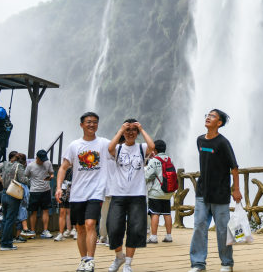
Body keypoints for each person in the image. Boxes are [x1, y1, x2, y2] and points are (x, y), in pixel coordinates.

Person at [55, 112, 111, 272]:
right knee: (80, 228)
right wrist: (58, 187)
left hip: (96, 191)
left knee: (90, 224)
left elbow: (118, 148)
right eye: (88, 122)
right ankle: (83, 259)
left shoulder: (104, 143)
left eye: (94, 122)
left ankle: (91, 260)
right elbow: (63, 168)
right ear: (81, 125)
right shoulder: (74, 146)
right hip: (77, 193)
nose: (91, 125)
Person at [188, 109, 242, 272]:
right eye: (207, 115)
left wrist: (236, 189)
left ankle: (226, 263)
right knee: (198, 226)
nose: (208, 118)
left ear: (219, 123)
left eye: (212, 116)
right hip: (202, 191)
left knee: (222, 230)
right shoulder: (200, 141)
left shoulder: (223, 143)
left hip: (220, 193)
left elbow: (234, 167)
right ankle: (198, 264)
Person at [105, 118, 154, 272]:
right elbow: (109, 148)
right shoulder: (118, 149)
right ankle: (119, 256)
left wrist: (142, 128)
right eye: (128, 130)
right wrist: (121, 129)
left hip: (137, 195)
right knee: (113, 227)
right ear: (123, 132)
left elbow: (152, 146)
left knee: (135, 228)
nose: (131, 133)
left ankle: (128, 263)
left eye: (134, 130)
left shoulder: (142, 147)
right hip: (118, 194)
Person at [0, 151, 29, 250]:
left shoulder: (4, 164)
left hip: (4, 192)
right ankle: (6, 244)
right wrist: (29, 179)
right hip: (13, 193)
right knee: (10, 219)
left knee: (5, 219)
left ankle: (3, 242)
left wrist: (1, 179)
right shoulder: (19, 166)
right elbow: (23, 179)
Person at [145, 139, 174, 244]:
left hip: (156, 192)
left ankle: (153, 237)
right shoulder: (169, 159)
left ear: (155, 149)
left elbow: (148, 176)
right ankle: (169, 236)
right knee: (167, 213)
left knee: (155, 213)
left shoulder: (154, 160)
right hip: (168, 192)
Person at [24, 149, 54, 239]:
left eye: (44, 159)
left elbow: (52, 173)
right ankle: (32, 231)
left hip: (46, 189)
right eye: (41, 159)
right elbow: (26, 176)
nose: (43, 161)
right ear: (37, 158)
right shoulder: (30, 166)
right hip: (34, 190)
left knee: (46, 210)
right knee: (33, 211)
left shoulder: (48, 163)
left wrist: (51, 177)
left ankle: (45, 230)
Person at [55, 170, 74, 241]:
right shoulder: (62, 168)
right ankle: (61, 233)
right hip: (63, 188)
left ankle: (74, 230)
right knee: (62, 211)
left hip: (73, 187)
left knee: (71, 211)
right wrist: (58, 188)